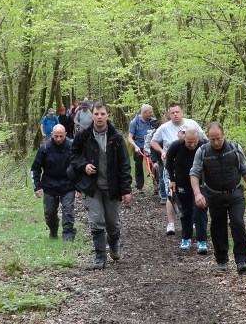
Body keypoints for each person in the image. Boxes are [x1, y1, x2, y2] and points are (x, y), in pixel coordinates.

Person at [190, 121, 246, 274]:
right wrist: (197, 194)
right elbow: (194, 173)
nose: (216, 142)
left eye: (219, 138)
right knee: (218, 227)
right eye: (212, 139)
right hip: (214, 195)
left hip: (235, 193)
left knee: (237, 222)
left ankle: (242, 261)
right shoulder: (202, 151)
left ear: (224, 135)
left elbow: (245, 169)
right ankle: (221, 261)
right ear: (207, 137)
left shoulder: (235, 148)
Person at [70, 101, 132, 270]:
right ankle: (100, 256)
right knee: (97, 221)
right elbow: (73, 155)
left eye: (102, 114)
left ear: (107, 115)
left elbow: (125, 164)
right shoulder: (83, 135)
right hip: (91, 186)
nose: (99, 117)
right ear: (92, 115)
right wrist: (84, 165)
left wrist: (126, 189)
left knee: (113, 223)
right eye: (96, 114)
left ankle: (113, 244)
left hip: (112, 186)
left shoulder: (116, 137)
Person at [151, 103, 205, 235]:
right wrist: (162, 151)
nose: (175, 114)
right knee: (171, 193)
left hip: (192, 164)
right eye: (172, 112)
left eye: (177, 112)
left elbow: (204, 138)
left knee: (193, 191)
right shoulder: (164, 128)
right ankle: (171, 223)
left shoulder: (192, 124)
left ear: (182, 112)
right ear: (169, 114)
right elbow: (153, 142)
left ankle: (191, 222)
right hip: (171, 164)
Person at [166, 128, 209, 254]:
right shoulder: (176, 146)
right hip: (182, 182)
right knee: (186, 212)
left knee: (200, 209)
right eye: (189, 142)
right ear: (184, 138)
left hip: (200, 184)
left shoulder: (204, 146)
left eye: (194, 142)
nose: (192, 145)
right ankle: (186, 238)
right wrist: (172, 180)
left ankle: (202, 240)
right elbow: (168, 162)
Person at [31, 124, 76, 241]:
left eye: (61, 136)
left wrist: (79, 187)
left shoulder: (72, 147)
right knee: (49, 214)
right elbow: (35, 168)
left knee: (68, 212)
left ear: (65, 134)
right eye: (56, 136)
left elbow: (79, 167)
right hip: (49, 185)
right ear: (52, 135)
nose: (59, 139)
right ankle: (53, 231)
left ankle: (68, 236)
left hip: (68, 185)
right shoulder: (45, 148)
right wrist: (36, 186)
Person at [127, 104, 155, 193]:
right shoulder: (134, 122)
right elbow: (129, 137)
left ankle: (156, 185)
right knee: (138, 165)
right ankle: (139, 186)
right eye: (150, 112)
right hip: (138, 145)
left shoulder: (152, 121)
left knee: (153, 165)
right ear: (144, 112)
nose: (152, 114)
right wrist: (135, 146)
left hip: (150, 146)